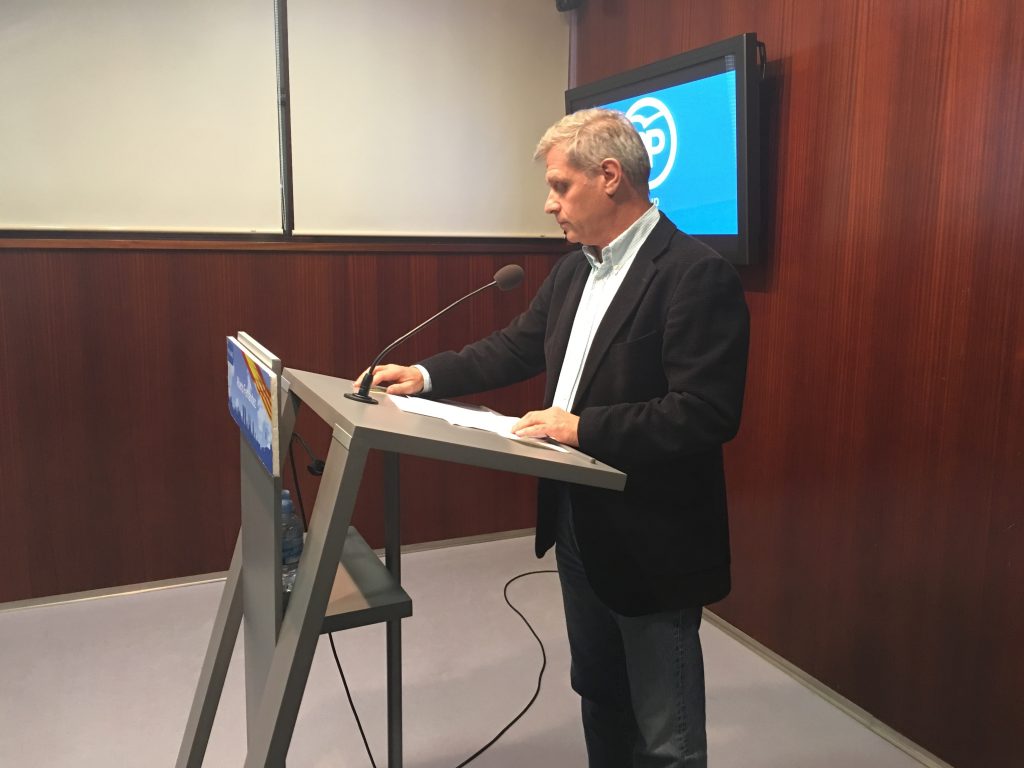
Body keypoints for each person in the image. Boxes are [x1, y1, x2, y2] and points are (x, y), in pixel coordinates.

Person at [359, 108, 749, 767]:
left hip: (653, 535)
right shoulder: (574, 270)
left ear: (609, 177)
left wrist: (583, 427)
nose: (549, 204)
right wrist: (424, 375)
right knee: (599, 694)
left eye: (560, 186)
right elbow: (515, 347)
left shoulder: (694, 273)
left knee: (666, 732)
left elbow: (705, 412)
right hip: (576, 518)